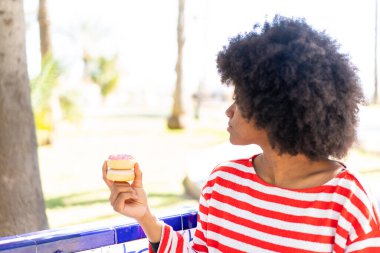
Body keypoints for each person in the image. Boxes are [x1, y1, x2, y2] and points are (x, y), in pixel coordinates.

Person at [102, 16, 380, 252]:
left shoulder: (346, 202)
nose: (229, 110)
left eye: (240, 98)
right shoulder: (222, 183)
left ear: (275, 105)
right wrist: (145, 217)